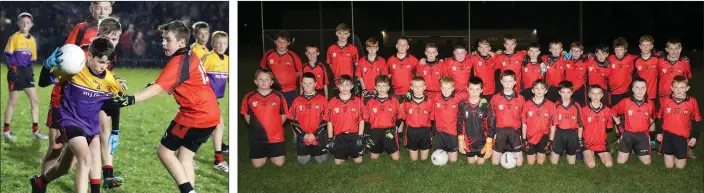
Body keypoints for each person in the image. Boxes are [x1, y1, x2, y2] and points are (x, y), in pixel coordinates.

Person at [107, 21, 221, 193]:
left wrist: (129, 99)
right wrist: (153, 86)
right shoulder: (191, 55)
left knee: (164, 152)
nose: (163, 43)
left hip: (195, 115)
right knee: (184, 158)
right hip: (212, 115)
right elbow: (177, 81)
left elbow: (157, 88)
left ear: (181, 43)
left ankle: (188, 191)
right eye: (163, 39)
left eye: (168, 40)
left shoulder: (178, 62)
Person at [37, 16, 124, 189]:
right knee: (82, 158)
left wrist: (115, 130)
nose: (103, 65)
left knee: (65, 166)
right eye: (100, 61)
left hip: (90, 122)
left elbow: (114, 104)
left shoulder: (108, 73)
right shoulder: (76, 65)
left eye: (115, 39)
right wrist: (47, 66)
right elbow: (45, 82)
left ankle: (40, 182)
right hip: (69, 117)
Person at [3, 12, 45, 141]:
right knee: (13, 101)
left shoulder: (32, 40)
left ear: (31, 25)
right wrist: (12, 69)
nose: (25, 24)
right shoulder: (14, 38)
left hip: (27, 73)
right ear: (18, 24)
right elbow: (6, 55)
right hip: (16, 72)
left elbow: (32, 59)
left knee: (35, 100)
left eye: (28, 22)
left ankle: (35, 130)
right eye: (23, 22)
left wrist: (29, 72)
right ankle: (6, 130)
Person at [241, 69, 287, 168]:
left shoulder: (278, 96)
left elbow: (284, 115)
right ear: (255, 82)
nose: (264, 82)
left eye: (267, 79)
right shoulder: (249, 97)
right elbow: (246, 115)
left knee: (279, 163)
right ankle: (264, 152)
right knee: (258, 165)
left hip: (275, 136)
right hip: (257, 136)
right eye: (260, 79)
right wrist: (256, 126)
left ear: (272, 82)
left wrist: (275, 126)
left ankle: (272, 152)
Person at [657, 76, 700, 168]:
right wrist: (659, 132)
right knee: (669, 166)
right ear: (671, 88)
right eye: (676, 87)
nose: (679, 90)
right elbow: (659, 117)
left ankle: (685, 150)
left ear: (687, 88)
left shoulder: (692, 101)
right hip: (668, 135)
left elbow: (696, 120)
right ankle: (666, 150)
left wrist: (694, 137)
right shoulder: (665, 100)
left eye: (682, 87)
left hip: (682, 136)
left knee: (680, 167)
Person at [201, 31, 229, 172]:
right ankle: (218, 160)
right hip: (205, 99)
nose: (221, 46)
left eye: (224, 43)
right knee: (217, 126)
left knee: (213, 127)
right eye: (218, 43)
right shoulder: (208, 58)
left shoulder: (228, 60)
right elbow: (197, 75)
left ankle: (178, 147)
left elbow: (227, 77)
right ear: (212, 44)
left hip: (214, 100)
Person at [288, 72, 329, 165]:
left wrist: (314, 134)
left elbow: (326, 120)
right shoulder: (297, 101)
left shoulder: (322, 99)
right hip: (303, 136)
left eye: (310, 83)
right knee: (302, 162)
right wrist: (304, 135)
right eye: (305, 83)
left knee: (322, 161)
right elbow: (293, 121)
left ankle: (324, 148)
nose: (307, 86)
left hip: (318, 135)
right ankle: (306, 149)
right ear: (301, 85)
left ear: (315, 84)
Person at [612, 78, 655, 165]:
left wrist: (646, 127)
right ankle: (629, 146)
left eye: (643, 87)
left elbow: (652, 117)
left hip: (642, 135)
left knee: (647, 163)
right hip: (628, 134)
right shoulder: (625, 102)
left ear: (646, 89)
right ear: (632, 89)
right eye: (637, 87)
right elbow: (613, 112)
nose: (640, 90)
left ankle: (636, 148)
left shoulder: (650, 104)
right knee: (620, 162)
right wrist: (619, 126)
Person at [325, 75, 365, 165]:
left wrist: (360, 136)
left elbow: (362, 120)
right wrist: (330, 138)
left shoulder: (357, 101)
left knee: (359, 161)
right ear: (338, 86)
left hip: (354, 135)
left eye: (347, 85)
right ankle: (345, 152)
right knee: (338, 163)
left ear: (352, 86)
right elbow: (330, 121)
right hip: (340, 136)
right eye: (342, 85)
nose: (344, 87)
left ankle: (351, 152)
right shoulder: (332, 101)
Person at [490, 70, 525, 166]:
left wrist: (521, 134)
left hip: (515, 131)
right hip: (500, 131)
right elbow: (491, 118)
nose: (507, 84)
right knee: (494, 163)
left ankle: (511, 154)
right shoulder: (495, 98)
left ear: (515, 82)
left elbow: (523, 118)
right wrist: (493, 133)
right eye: (505, 81)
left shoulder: (520, 98)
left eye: (510, 81)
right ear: (501, 82)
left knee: (519, 164)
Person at [457, 77, 495, 165]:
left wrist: (489, 142)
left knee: (480, 163)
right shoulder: (463, 104)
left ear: (482, 90)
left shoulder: (485, 104)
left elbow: (491, 123)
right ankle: (472, 154)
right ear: (467, 89)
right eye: (471, 89)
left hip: (482, 140)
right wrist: (460, 139)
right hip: (468, 140)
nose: (474, 92)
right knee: (471, 163)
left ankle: (479, 154)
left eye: (477, 89)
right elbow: (459, 122)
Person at [260, 31, 302, 108]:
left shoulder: (293, 56)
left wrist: (290, 78)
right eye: (279, 41)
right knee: (274, 112)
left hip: (290, 91)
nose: (281, 44)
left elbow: (300, 72)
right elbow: (263, 71)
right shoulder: (268, 55)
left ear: (288, 43)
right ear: (275, 42)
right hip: (273, 90)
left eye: (284, 42)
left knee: (290, 114)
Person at [363, 75, 401, 161]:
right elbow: (366, 118)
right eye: (379, 86)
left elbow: (400, 116)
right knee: (374, 159)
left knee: (396, 159)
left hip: (389, 130)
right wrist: (368, 134)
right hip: (375, 130)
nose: (381, 88)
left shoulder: (394, 101)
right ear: (375, 87)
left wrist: (394, 128)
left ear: (388, 88)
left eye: (384, 86)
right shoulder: (371, 102)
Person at [431, 76, 467, 163]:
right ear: (440, 88)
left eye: (448, 88)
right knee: (439, 156)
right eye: (443, 88)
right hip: (439, 132)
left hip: (452, 132)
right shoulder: (435, 97)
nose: (446, 90)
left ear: (453, 88)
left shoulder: (458, 97)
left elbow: (472, 93)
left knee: (453, 160)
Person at [399, 76, 434, 161]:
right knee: (414, 159)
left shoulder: (430, 101)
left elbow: (432, 116)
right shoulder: (407, 101)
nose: (418, 89)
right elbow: (403, 114)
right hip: (411, 130)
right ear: (411, 87)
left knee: (424, 159)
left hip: (425, 130)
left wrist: (431, 130)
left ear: (424, 87)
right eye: (415, 86)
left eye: (420, 86)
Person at [549, 81, 583, 165]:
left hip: (572, 133)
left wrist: (579, 140)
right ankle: (557, 150)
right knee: (554, 162)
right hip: (559, 133)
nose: (565, 95)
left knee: (571, 163)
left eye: (568, 92)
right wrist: (551, 140)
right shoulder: (555, 106)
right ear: (559, 92)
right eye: (563, 92)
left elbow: (580, 124)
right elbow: (553, 125)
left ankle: (567, 150)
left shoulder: (576, 106)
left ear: (572, 92)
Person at [522, 79, 555, 165]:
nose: (539, 90)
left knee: (540, 163)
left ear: (546, 90)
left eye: (542, 88)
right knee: (530, 163)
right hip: (530, 137)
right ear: (532, 90)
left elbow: (553, 124)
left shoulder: (551, 105)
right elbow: (524, 123)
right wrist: (524, 139)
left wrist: (551, 141)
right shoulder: (527, 104)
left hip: (543, 136)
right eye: (536, 88)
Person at [581, 85, 614, 168]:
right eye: (593, 93)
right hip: (588, 143)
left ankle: (597, 153)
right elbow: (580, 127)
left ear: (602, 95)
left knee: (609, 164)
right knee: (591, 165)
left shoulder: (607, 110)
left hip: (601, 143)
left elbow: (609, 127)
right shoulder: (583, 110)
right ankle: (586, 153)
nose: (595, 96)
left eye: (598, 93)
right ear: (589, 95)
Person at [327, 23, 359, 94]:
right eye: (340, 33)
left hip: (348, 82)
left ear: (348, 34)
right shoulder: (331, 49)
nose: (342, 35)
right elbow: (330, 65)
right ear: (336, 34)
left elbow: (356, 65)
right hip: (336, 82)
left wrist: (355, 81)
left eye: (345, 33)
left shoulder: (353, 49)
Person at [608, 37, 638, 107]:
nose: (618, 52)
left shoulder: (631, 58)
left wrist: (654, 54)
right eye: (616, 49)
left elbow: (643, 57)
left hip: (626, 92)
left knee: (626, 112)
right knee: (614, 113)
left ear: (625, 50)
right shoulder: (609, 59)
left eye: (621, 49)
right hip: (614, 92)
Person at [388, 36, 419, 101]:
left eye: (404, 45)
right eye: (400, 45)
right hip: (395, 93)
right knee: (395, 111)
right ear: (396, 46)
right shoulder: (390, 60)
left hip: (409, 92)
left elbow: (419, 75)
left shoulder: (414, 60)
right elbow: (387, 76)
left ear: (408, 47)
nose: (402, 47)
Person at [563, 42, 589, 106]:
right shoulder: (565, 61)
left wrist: (590, 55)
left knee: (580, 108)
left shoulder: (585, 63)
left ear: (581, 52)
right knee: (568, 107)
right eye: (573, 51)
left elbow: (596, 59)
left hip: (580, 89)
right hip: (568, 89)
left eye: (578, 51)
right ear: (570, 52)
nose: (575, 53)